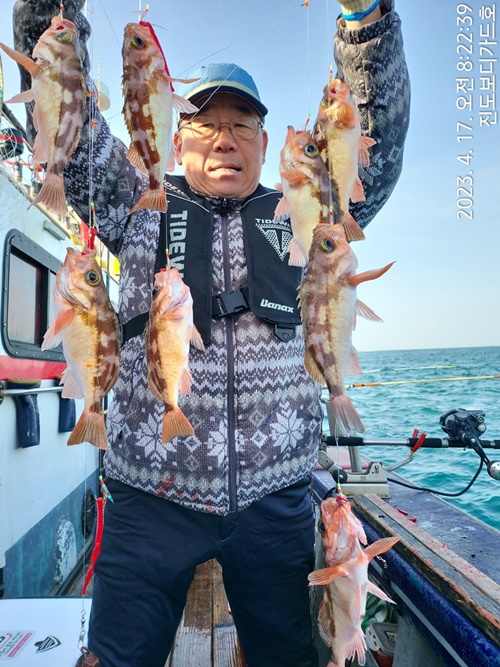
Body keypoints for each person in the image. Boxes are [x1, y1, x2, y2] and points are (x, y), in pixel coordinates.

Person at [13, 0, 410, 665]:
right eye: (204, 123)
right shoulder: (134, 201)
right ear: (176, 137)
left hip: (275, 502)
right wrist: (50, 14)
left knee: (286, 656)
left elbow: (372, 144)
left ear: (264, 143)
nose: (224, 139)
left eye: (241, 124)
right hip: (149, 499)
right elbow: (63, 118)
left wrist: (364, 23)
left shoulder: (306, 212)